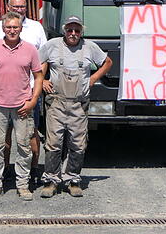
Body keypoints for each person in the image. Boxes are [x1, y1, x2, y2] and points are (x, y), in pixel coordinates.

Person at [39, 16, 112, 198]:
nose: (73, 34)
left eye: (77, 30)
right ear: (64, 30)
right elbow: (34, 63)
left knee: (78, 145)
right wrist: (42, 81)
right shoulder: (52, 45)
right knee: (53, 143)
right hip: (56, 102)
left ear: (81, 32)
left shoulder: (89, 47)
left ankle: (73, 179)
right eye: (70, 30)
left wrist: (94, 78)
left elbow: (108, 62)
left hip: (79, 104)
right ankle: (51, 180)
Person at [0, 12, 44, 200]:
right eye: (9, 27)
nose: (12, 30)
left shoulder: (30, 49)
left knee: (24, 147)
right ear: (3, 29)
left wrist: (33, 100)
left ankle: (23, 185)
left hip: (22, 106)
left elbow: (39, 76)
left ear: (21, 29)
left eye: (15, 27)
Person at [0, 0, 47, 183]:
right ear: (7, 7)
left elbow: (43, 58)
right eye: (16, 6)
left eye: (22, 6)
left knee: (30, 134)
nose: (19, 9)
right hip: (3, 94)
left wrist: (38, 85)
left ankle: (33, 169)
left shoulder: (36, 27)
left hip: (28, 92)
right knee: (3, 136)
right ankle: (4, 169)